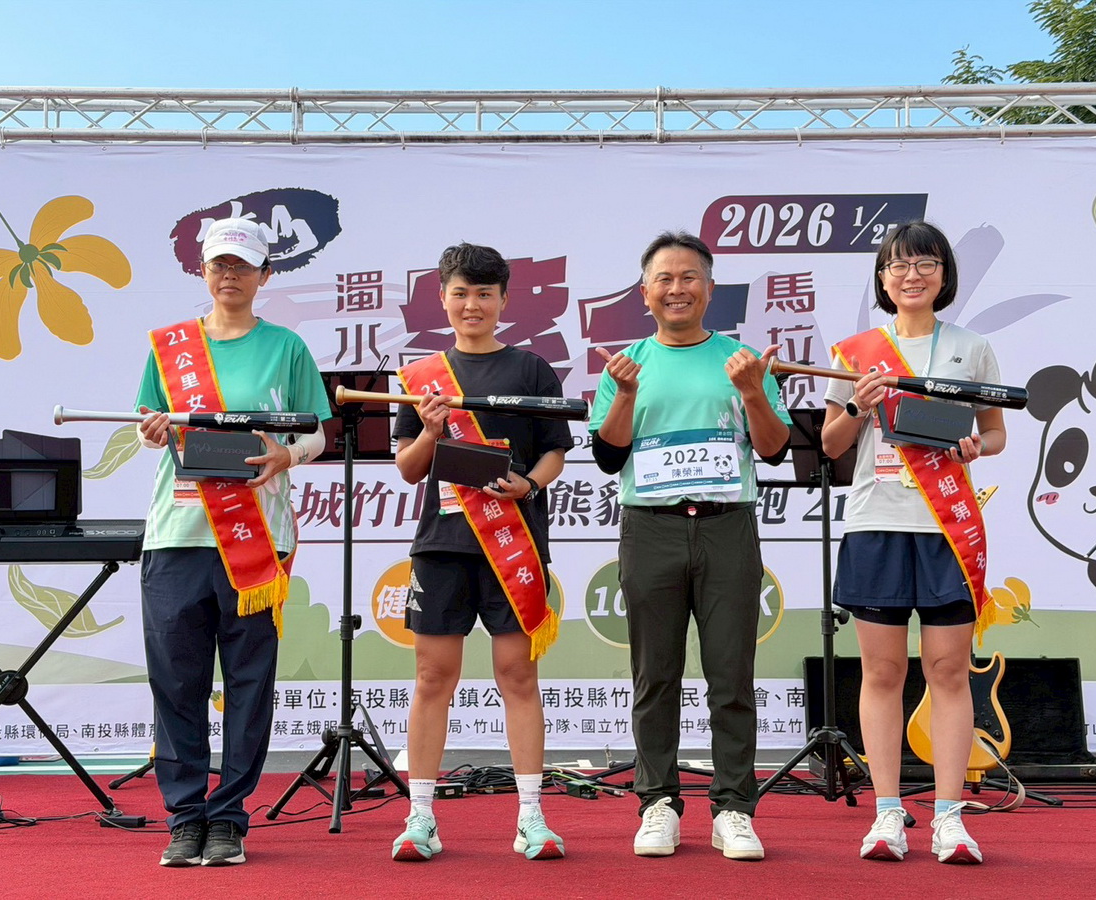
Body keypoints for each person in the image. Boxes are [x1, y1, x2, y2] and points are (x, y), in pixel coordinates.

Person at [135, 217, 333, 867]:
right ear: (202, 270)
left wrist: (285, 456)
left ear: (265, 275)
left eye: (243, 265)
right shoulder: (171, 347)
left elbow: (316, 433)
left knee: (248, 682)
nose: (229, 275)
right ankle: (184, 816)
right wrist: (152, 431)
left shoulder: (286, 348)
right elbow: (146, 426)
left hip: (255, 539)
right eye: (219, 263)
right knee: (177, 682)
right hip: (178, 536)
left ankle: (229, 818)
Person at [588, 231, 791, 860]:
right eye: (664, 279)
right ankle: (657, 803)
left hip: (728, 526)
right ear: (644, 292)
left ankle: (734, 808)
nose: (677, 289)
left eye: (689, 277)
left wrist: (753, 391)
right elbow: (607, 456)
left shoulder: (744, 361)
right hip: (651, 527)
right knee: (656, 674)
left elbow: (774, 449)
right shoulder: (626, 365)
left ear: (710, 288)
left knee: (732, 674)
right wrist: (625, 394)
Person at [819, 220, 1006, 865]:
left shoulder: (972, 347)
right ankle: (887, 814)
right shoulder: (854, 352)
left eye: (926, 263)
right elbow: (832, 445)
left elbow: (996, 433)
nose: (912, 275)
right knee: (882, 672)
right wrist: (859, 407)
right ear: (882, 278)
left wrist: (976, 446)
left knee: (949, 671)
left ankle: (950, 817)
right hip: (876, 523)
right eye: (898, 265)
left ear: (944, 275)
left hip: (945, 528)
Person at [390, 242, 572, 862]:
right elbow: (409, 468)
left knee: (518, 674)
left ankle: (531, 817)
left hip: (513, 543)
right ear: (442, 298)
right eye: (461, 293)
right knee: (431, 677)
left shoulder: (532, 369)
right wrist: (431, 429)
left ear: (503, 300)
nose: (473, 305)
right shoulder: (421, 377)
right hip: (443, 546)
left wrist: (531, 485)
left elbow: (554, 450)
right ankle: (420, 818)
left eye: (485, 294)